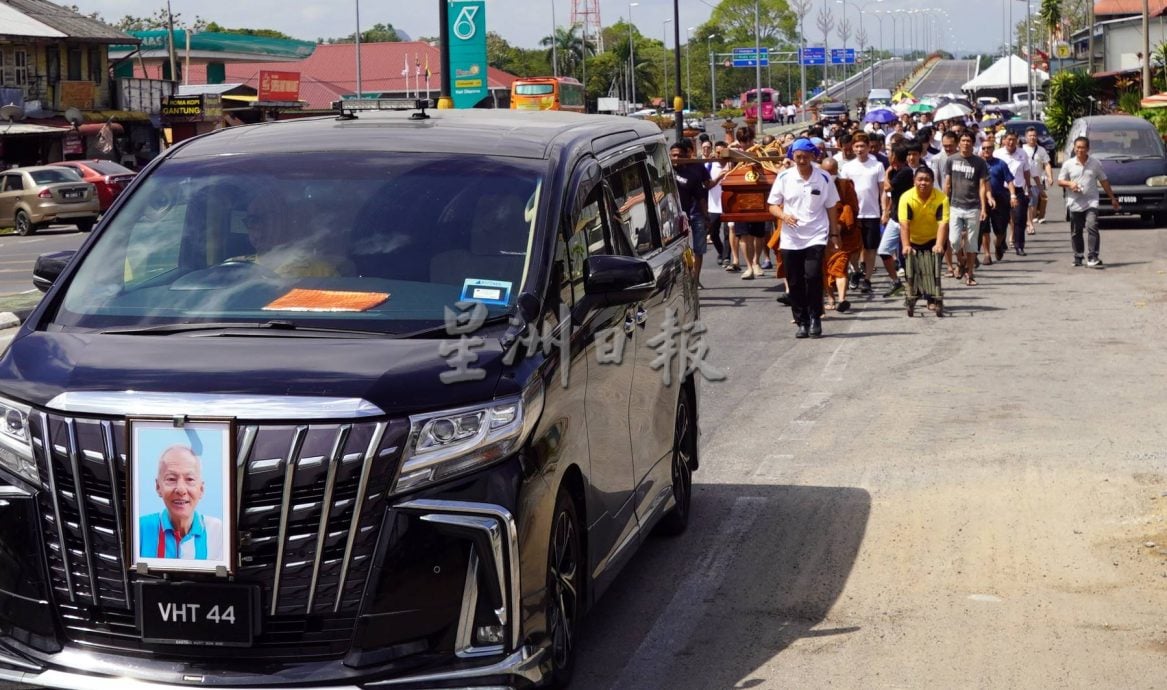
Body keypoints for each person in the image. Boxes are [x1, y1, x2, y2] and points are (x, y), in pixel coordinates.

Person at [767, 138, 840, 338]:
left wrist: (834, 234)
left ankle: (816, 316)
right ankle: (802, 321)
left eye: (805, 157)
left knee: (813, 276)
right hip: (791, 237)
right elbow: (772, 204)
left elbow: (832, 206)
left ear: (813, 157)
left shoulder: (823, 177)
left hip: (816, 234)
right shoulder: (784, 178)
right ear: (792, 156)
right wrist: (783, 216)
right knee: (795, 280)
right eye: (797, 157)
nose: (801, 160)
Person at [139, 445, 223, 560]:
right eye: (171, 479)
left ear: (201, 490)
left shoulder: (219, 533)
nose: (181, 489)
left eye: (190, 479)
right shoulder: (139, 529)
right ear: (158, 487)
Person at [242, 189, 349, 277]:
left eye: (267, 219)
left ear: (286, 222)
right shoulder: (234, 268)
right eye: (252, 220)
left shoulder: (321, 272)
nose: (258, 227)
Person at [1057, 136, 1119, 268]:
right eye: (1077, 147)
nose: (1080, 150)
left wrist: (1112, 198)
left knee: (1092, 226)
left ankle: (1093, 256)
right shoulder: (1068, 164)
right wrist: (1070, 184)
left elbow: (1104, 181)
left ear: (1088, 149)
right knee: (1076, 231)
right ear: (1074, 148)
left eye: (1083, 147)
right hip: (1074, 202)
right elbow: (1060, 181)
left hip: (1091, 201)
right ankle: (1078, 255)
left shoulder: (1095, 164)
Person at [898, 165, 949, 317]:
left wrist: (939, 244)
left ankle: (931, 298)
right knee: (912, 271)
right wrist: (906, 245)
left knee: (932, 271)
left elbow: (943, 224)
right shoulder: (906, 197)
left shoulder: (942, 198)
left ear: (933, 182)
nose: (923, 183)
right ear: (914, 181)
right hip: (912, 239)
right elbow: (904, 224)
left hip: (933, 238)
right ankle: (913, 295)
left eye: (927, 180)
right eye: (920, 179)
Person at [839, 132, 886, 295]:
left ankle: (867, 279)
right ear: (852, 148)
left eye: (862, 146)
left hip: (872, 213)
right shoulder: (847, 167)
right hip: (853, 214)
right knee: (853, 248)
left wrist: (884, 211)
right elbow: (843, 192)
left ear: (868, 148)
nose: (859, 149)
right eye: (856, 146)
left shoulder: (877, 166)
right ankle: (856, 271)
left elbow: (882, 192)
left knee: (870, 248)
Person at [943, 132, 989, 285]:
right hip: (955, 206)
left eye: (968, 140)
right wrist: (944, 203)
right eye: (963, 140)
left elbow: (982, 186)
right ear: (959, 143)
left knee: (971, 243)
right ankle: (961, 261)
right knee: (954, 240)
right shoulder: (951, 160)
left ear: (973, 143)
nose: (965, 143)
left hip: (973, 206)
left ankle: (970, 274)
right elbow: (947, 184)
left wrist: (983, 208)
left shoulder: (980, 162)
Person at [670, 141, 714, 285]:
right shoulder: (664, 171)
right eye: (673, 155)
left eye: (679, 155)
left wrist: (706, 217)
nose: (676, 158)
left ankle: (694, 279)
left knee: (696, 249)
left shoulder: (693, 173)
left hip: (685, 219)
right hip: (667, 221)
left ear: (685, 156)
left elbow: (701, 197)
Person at [994, 131, 1032, 255]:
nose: (1011, 142)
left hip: (1019, 189)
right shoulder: (998, 153)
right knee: (1003, 219)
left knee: (1020, 218)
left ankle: (1019, 245)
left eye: (1013, 139)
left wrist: (1029, 187)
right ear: (1004, 140)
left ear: (1017, 140)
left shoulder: (1022, 153)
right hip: (1001, 190)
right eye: (1009, 139)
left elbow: (1026, 171)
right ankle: (1001, 242)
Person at [978, 138, 1015, 264]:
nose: (986, 150)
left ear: (993, 149)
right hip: (981, 200)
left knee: (1000, 229)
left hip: (999, 199)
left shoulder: (1000, 164)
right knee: (984, 228)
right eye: (983, 148)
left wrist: (1013, 195)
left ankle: (998, 244)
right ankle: (987, 254)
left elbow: (1009, 180)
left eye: (988, 148)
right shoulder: (977, 164)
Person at [1022, 127, 1052, 229]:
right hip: (1023, 182)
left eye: (1034, 136)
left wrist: (1050, 177)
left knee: (1033, 204)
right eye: (1030, 136)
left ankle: (1029, 220)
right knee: (1028, 203)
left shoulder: (1041, 150)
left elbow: (1047, 164)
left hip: (1036, 182)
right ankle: (1029, 223)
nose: (1032, 138)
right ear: (1026, 137)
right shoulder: (1021, 149)